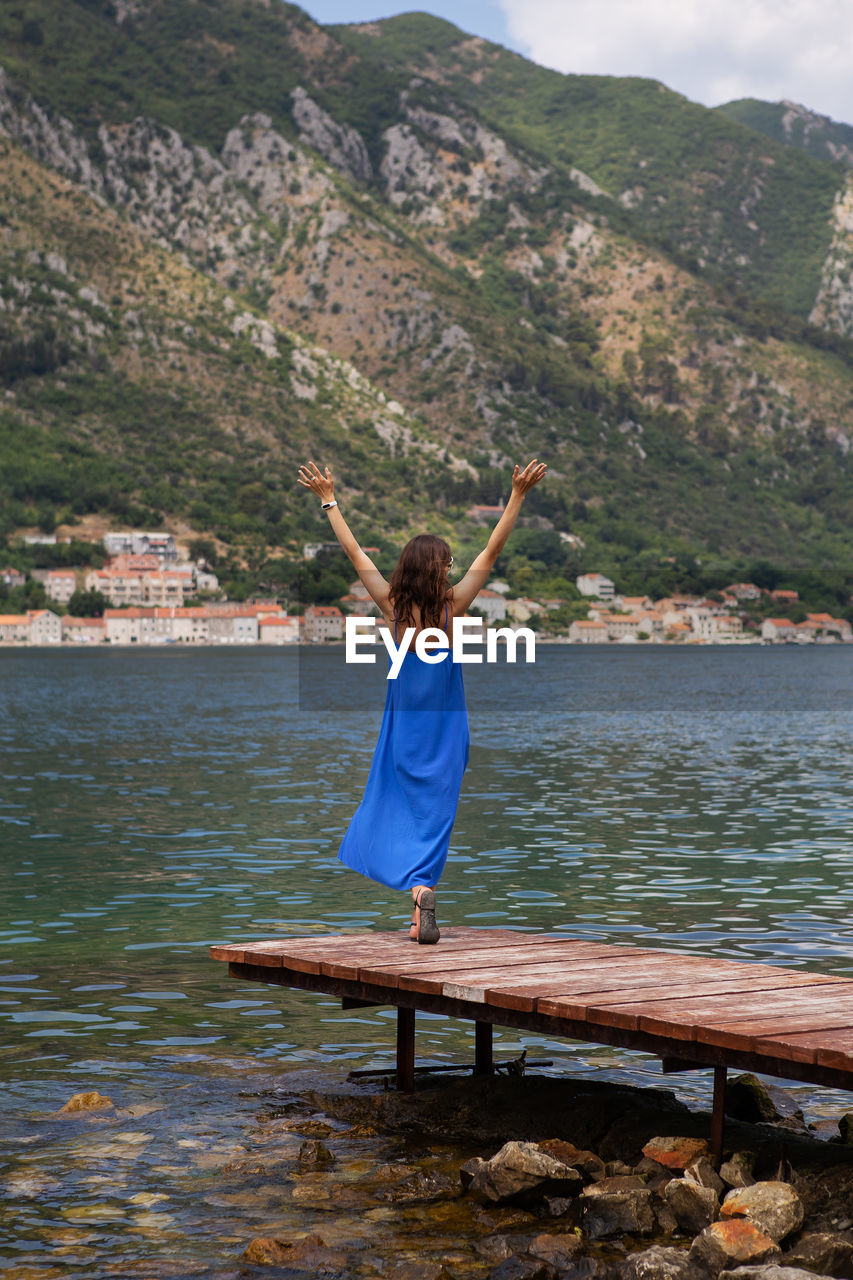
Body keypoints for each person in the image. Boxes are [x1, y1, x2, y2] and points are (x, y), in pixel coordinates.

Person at [297, 457, 547, 942]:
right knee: (435, 817)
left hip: (403, 732)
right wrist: (517, 494)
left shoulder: (393, 608)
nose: (453, 566)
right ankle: (423, 895)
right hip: (448, 733)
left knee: (389, 808)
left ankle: (418, 904)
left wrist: (328, 500)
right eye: (449, 562)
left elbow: (355, 554)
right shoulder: (453, 607)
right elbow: (492, 551)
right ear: (438, 570)